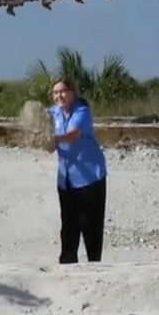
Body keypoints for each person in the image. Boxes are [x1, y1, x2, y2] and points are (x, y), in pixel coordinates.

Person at [49, 78, 107, 263]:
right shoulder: (54, 113)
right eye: (56, 92)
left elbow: (72, 135)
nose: (59, 95)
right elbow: (40, 122)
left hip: (90, 179)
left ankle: (94, 265)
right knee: (68, 227)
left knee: (91, 227)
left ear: (73, 92)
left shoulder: (82, 112)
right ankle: (67, 264)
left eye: (63, 91)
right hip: (66, 180)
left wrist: (51, 140)